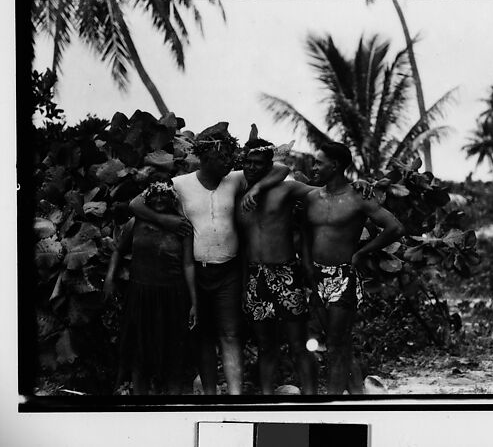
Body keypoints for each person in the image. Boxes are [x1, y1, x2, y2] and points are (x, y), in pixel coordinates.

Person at [129, 122, 289, 395]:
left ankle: (236, 396)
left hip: (228, 270)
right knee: (203, 336)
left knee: (230, 334)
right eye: (221, 157)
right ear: (204, 157)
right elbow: (136, 204)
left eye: (229, 156)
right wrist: (165, 220)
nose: (228, 161)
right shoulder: (179, 184)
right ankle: (211, 396)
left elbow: (282, 169)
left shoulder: (236, 179)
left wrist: (256, 189)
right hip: (196, 272)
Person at [302, 142, 404, 395]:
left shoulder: (358, 197)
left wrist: (362, 252)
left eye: (319, 163)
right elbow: (304, 233)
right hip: (315, 276)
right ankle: (358, 394)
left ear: (335, 166)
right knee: (339, 343)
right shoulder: (311, 197)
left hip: (342, 276)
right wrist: (306, 264)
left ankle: (334, 403)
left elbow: (395, 227)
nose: (314, 167)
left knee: (335, 344)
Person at [236, 138, 318, 395]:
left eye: (258, 163)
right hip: (254, 276)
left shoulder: (286, 190)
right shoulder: (235, 192)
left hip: (285, 274)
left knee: (298, 343)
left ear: (268, 165)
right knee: (265, 346)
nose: (251, 167)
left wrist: (356, 187)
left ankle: (311, 397)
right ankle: (267, 399)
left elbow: (322, 193)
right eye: (247, 162)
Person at [104, 181, 198, 395]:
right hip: (141, 294)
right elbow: (118, 251)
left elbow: (188, 264)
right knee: (139, 351)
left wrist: (194, 302)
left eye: (164, 196)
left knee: (173, 352)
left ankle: (172, 402)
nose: (159, 200)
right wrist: (110, 278)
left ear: (172, 198)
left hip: (172, 295)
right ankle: (140, 400)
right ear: (147, 198)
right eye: (154, 195)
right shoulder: (135, 223)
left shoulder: (182, 226)